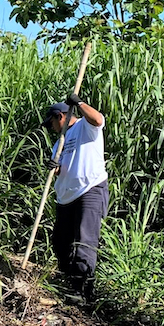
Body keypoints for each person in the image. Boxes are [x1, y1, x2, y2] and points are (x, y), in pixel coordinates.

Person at [41, 93, 108, 302]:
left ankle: (82, 289)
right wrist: (55, 167)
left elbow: (98, 119)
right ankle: (69, 282)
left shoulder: (84, 127)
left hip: (89, 189)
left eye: (51, 122)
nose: (51, 128)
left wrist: (78, 103)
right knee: (61, 241)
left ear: (60, 116)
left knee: (85, 240)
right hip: (66, 197)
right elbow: (63, 168)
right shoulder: (60, 142)